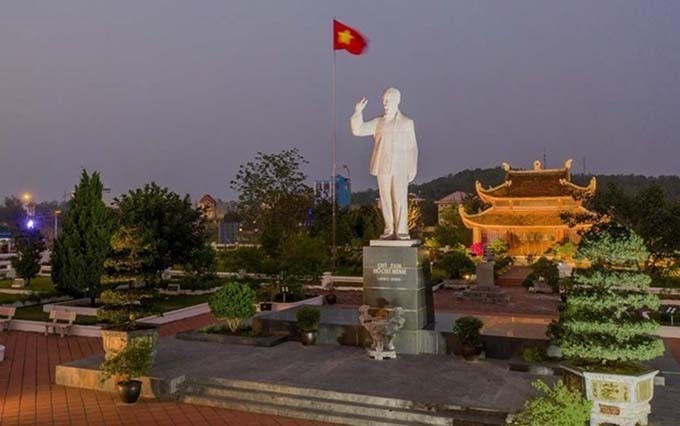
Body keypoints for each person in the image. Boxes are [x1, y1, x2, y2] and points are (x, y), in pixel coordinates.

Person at [350, 87, 418, 240]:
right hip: (383, 166)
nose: (386, 104)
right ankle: (389, 229)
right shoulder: (378, 122)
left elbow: (412, 147)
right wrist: (358, 112)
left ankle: (401, 230)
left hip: (400, 166)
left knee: (399, 198)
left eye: (389, 100)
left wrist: (412, 167)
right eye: (384, 101)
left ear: (397, 101)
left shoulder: (407, 123)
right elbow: (358, 130)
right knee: (385, 199)